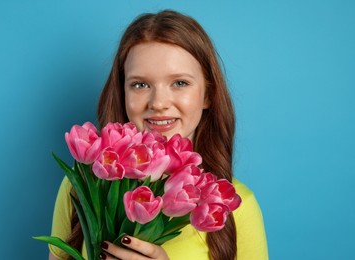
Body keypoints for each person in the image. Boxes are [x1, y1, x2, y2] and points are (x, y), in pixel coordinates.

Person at [49, 9, 268, 260]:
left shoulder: (234, 206)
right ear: (123, 93)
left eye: (180, 83)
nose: (159, 103)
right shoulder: (81, 186)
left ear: (208, 94)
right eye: (140, 85)